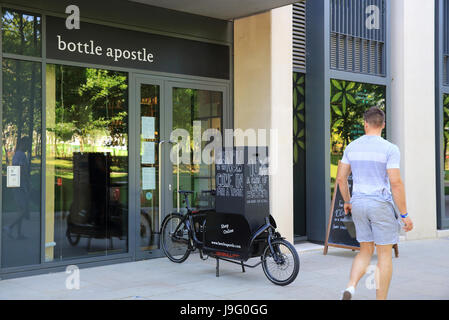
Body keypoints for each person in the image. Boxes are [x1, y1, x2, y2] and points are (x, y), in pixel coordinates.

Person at [336, 107, 414, 300]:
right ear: (383, 125)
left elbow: (340, 179)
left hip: (359, 204)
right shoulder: (390, 148)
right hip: (380, 204)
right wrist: (404, 214)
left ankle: (351, 287)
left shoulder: (351, 147)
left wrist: (348, 201)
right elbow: (395, 183)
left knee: (364, 251)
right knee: (385, 255)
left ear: (365, 123)